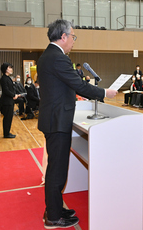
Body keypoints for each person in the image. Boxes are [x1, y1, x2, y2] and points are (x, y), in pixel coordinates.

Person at [37, 19, 117, 228]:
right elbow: (79, 86)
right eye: (73, 36)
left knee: (56, 167)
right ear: (63, 37)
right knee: (58, 170)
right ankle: (53, 217)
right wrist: (104, 93)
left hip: (53, 118)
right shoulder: (58, 58)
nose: (73, 41)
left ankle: (54, 207)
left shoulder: (48, 56)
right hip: (57, 121)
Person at [0, 63, 19, 138]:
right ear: (6, 69)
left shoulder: (8, 78)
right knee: (7, 118)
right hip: (7, 101)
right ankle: (6, 133)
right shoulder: (3, 78)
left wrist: (15, 95)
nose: (11, 69)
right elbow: (6, 90)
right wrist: (13, 95)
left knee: (9, 117)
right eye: (10, 68)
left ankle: (7, 132)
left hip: (10, 100)